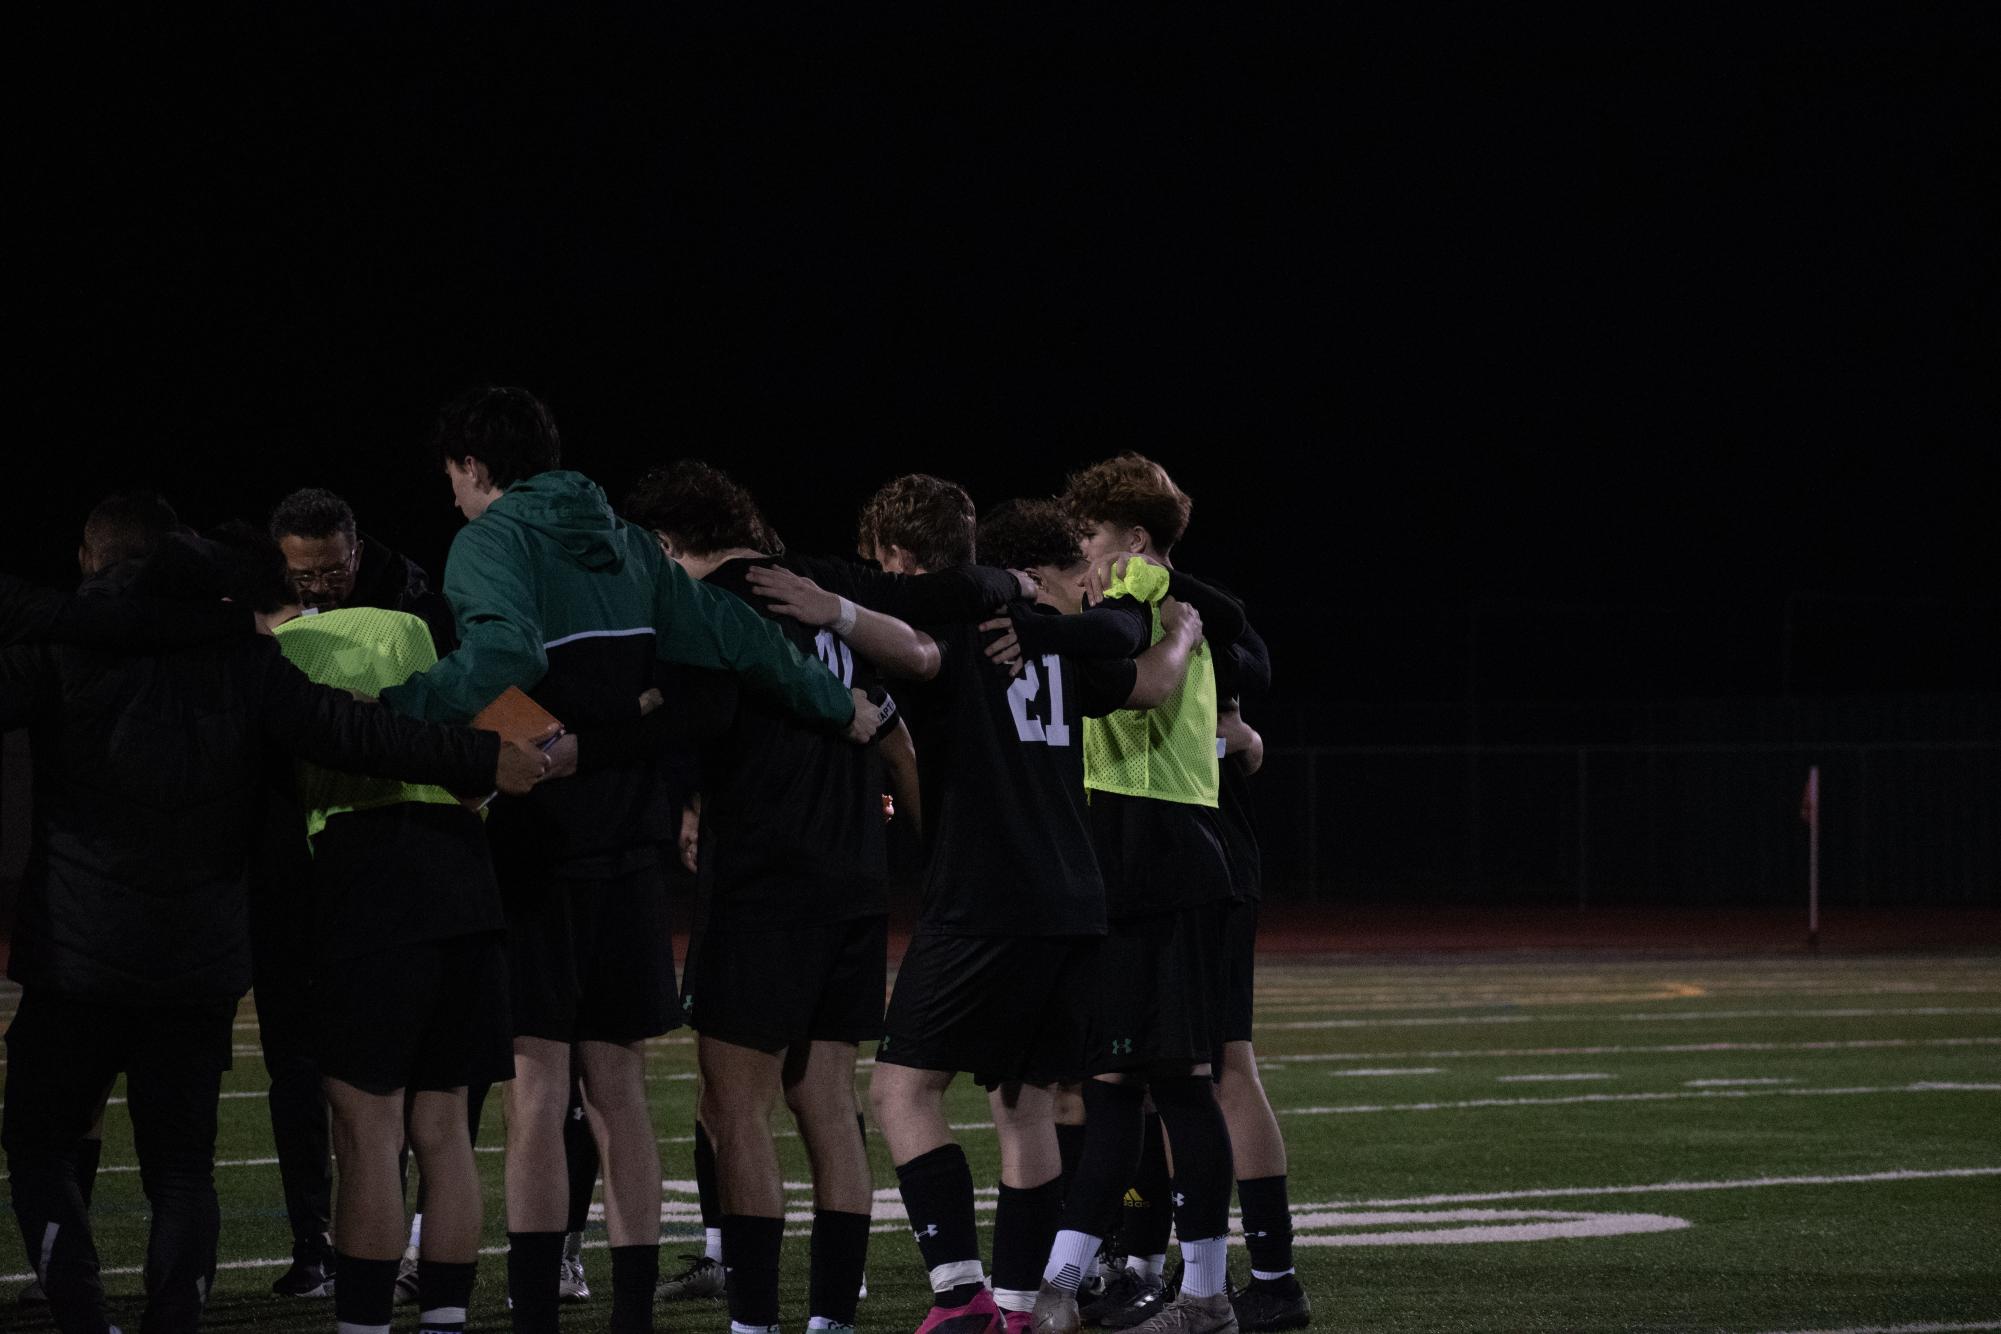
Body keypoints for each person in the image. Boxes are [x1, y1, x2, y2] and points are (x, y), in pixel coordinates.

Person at [377, 387, 878, 1334]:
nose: (451, 499)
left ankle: (534, 1314)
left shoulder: (493, 541)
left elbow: (504, 654)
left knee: (538, 1088)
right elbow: (734, 638)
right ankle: (632, 1316)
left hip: (540, 839)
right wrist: (831, 700)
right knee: (620, 1088)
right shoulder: (623, 542)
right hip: (633, 843)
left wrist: (399, 711)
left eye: (452, 478)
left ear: (476, 469)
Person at [0, 530, 549, 1334]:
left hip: (81, 954)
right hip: (211, 955)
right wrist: (477, 757)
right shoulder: (271, 659)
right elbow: (363, 732)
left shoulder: (69, 652)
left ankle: (84, 1315)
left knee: (43, 1140)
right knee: (189, 1168)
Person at [757, 481, 1199, 1334]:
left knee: (899, 1093)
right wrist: (1178, 628)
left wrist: (835, 610)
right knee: (1024, 1104)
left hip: (987, 897)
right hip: (1074, 898)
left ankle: (960, 1295)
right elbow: (1143, 684)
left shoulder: (970, 622)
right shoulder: (1058, 638)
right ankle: (1018, 1308)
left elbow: (919, 656)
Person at [266, 584, 532, 1334]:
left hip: (364, 877)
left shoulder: (278, 653)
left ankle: (364, 1326)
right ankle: (445, 1321)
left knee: (367, 1130)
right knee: (444, 1128)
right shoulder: (411, 628)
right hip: (462, 870)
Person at [1033, 454, 1251, 1334]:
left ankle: (1203, 1295)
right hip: (1123, 854)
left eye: (1088, 535)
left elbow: (1190, 635)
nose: (1079, 552)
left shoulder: (1146, 590)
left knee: (1182, 1082)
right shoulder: (1145, 602)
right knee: (1115, 1082)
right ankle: (1066, 1273)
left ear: (1132, 539)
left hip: (1162, 851)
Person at [269, 485, 458, 651]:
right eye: (303, 576)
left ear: (357, 555)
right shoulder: (261, 593)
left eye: (334, 573)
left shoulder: (405, 594)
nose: (319, 588)